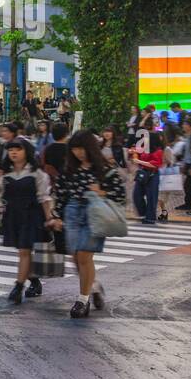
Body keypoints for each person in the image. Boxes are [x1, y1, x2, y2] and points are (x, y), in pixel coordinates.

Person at [48, 131, 126, 319]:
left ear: (90, 147)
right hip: (73, 214)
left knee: (84, 255)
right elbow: (60, 193)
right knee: (76, 257)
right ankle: (94, 286)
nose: (78, 153)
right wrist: (57, 216)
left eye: (82, 148)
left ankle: (83, 300)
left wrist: (102, 193)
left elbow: (120, 195)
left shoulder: (105, 170)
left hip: (94, 214)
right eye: (75, 149)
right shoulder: (69, 169)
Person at [0, 137, 53, 304]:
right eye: (11, 149)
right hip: (12, 216)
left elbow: (44, 197)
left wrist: (49, 218)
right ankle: (34, 281)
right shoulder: (6, 173)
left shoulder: (36, 173)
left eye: (18, 149)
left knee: (24, 251)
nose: (13, 152)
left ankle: (18, 287)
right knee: (22, 250)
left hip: (31, 215)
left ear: (26, 151)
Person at [129, 120, 163, 224]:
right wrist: (133, 153)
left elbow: (155, 164)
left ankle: (150, 218)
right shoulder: (143, 148)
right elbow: (135, 153)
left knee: (151, 197)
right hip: (143, 173)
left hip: (153, 175)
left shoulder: (158, 151)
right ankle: (143, 214)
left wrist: (139, 161)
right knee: (136, 195)